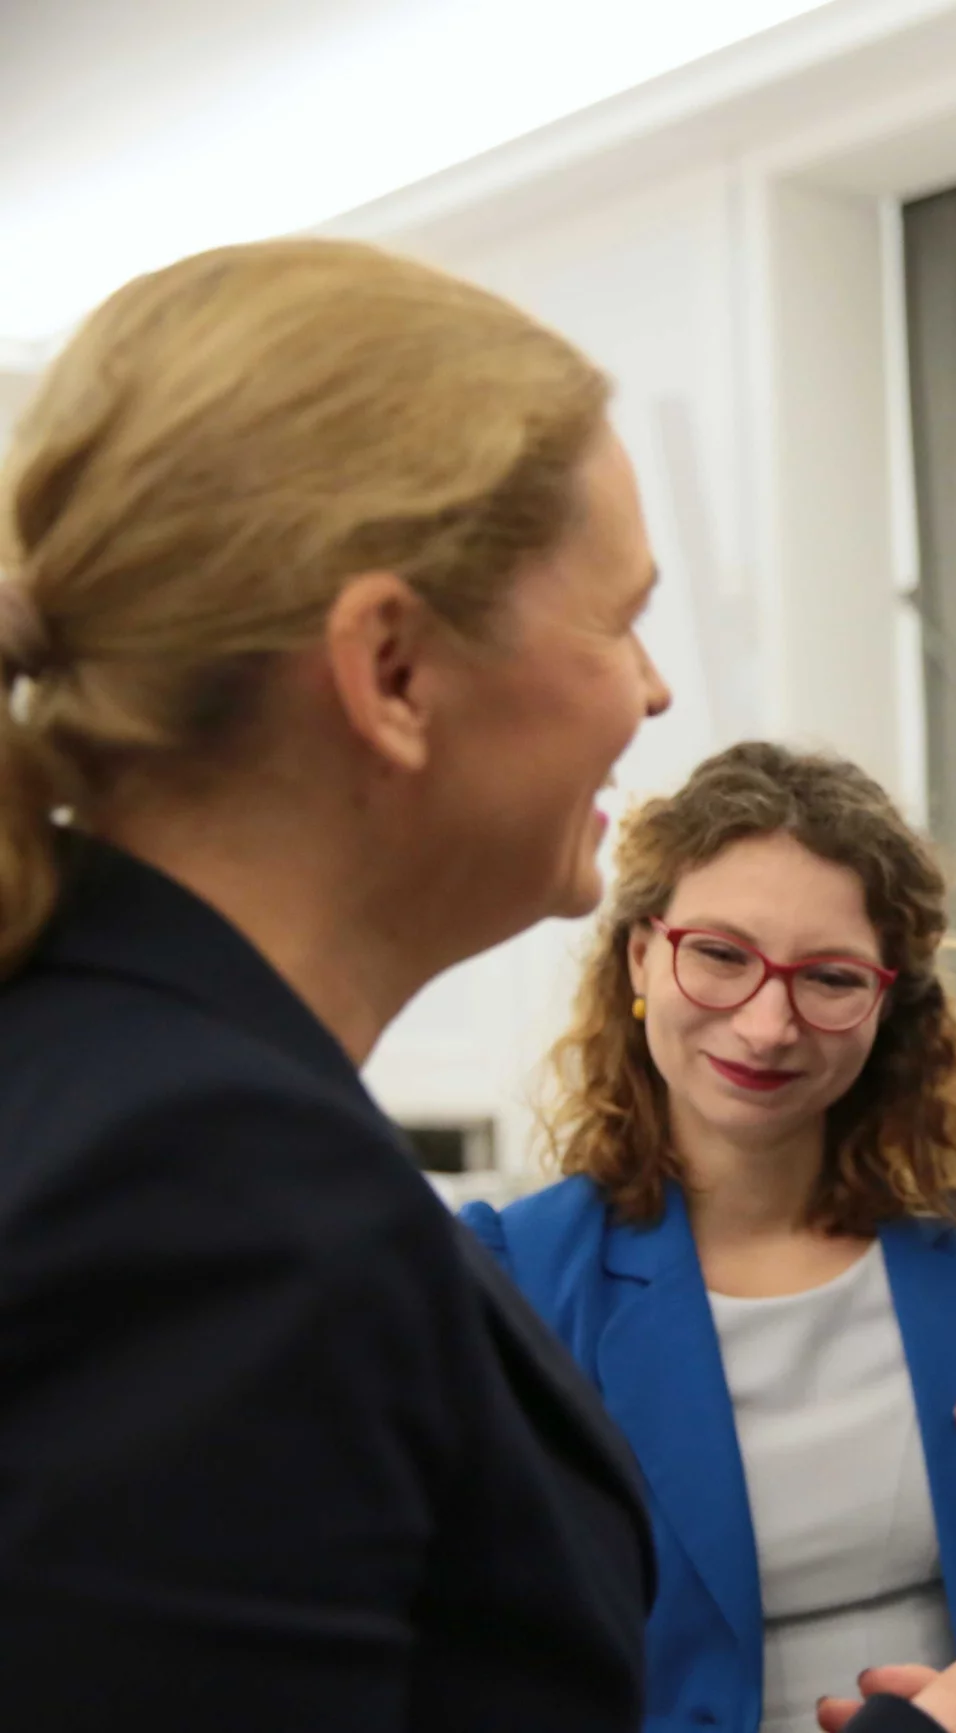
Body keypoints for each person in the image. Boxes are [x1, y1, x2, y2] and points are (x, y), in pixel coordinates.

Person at [0, 238, 667, 1728]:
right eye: (621, 617)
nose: (655, 690)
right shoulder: (204, 1187)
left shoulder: (100, 1070)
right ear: (394, 672)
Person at [464, 742, 956, 1733]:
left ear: (887, 997)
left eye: (830, 977)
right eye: (720, 954)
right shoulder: (514, 1277)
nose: (768, 1024)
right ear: (642, 954)